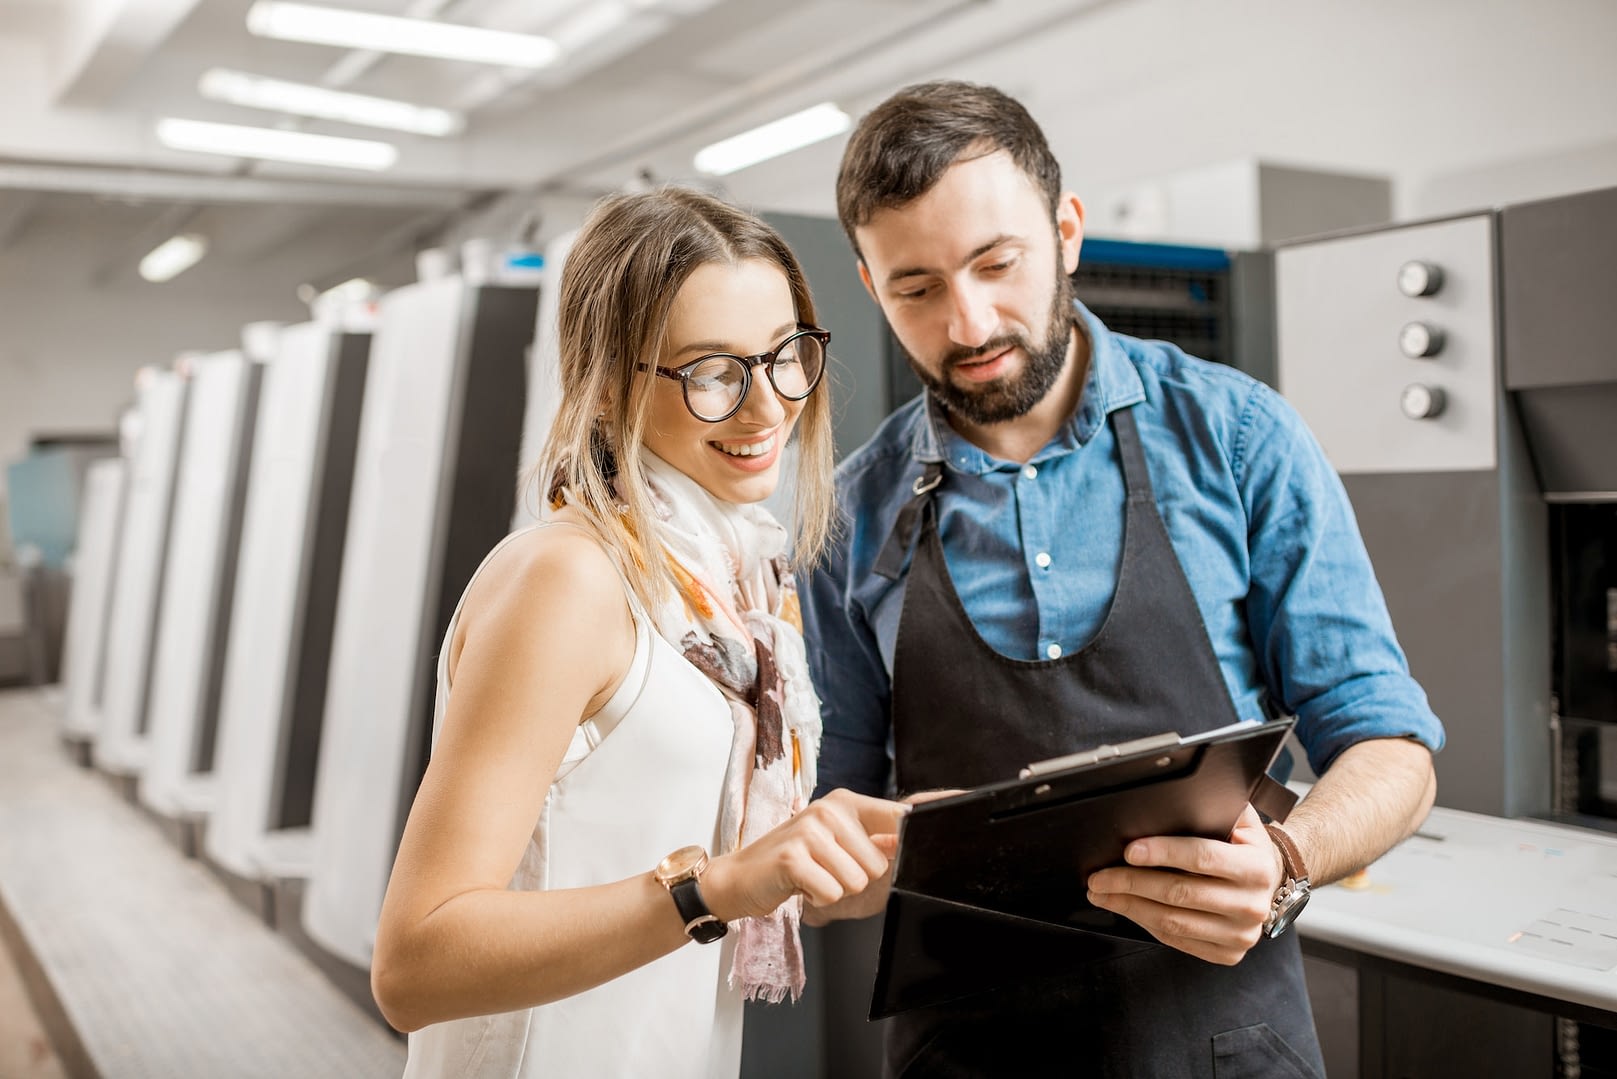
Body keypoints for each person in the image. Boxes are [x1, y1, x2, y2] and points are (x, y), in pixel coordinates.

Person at [801, 81, 1444, 1078]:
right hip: (965, 1055)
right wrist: (822, 860)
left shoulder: (1238, 438)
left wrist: (1287, 859)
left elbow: (1391, 748)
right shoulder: (848, 519)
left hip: (1226, 1044)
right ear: (869, 282)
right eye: (915, 287)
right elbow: (828, 854)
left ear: (1066, 230)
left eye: (995, 263)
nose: (968, 323)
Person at [371, 187, 908, 1079]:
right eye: (710, 372)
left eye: (783, 355)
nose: (765, 406)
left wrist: (840, 862)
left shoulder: (736, 588)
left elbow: (681, 855)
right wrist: (719, 884)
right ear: (613, 382)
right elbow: (415, 962)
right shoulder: (571, 579)